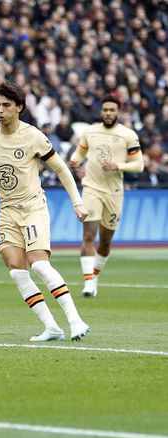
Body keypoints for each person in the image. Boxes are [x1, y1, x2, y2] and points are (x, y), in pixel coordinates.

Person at [0, 81, 91, 342]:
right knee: (15, 268)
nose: (0, 110)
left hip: (33, 207)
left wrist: (77, 202)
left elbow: (61, 169)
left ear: (19, 108)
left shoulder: (33, 135)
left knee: (40, 265)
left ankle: (75, 320)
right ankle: (52, 327)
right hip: (7, 211)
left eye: (6, 105)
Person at [68, 96, 144, 297]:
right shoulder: (90, 132)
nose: (108, 113)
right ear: (101, 111)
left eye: (112, 110)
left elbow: (139, 164)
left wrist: (118, 165)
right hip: (91, 188)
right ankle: (88, 283)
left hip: (114, 193)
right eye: (105, 110)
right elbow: (79, 153)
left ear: (118, 111)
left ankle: (95, 274)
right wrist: (75, 161)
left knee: (106, 241)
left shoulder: (128, 135)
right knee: (88, 236)